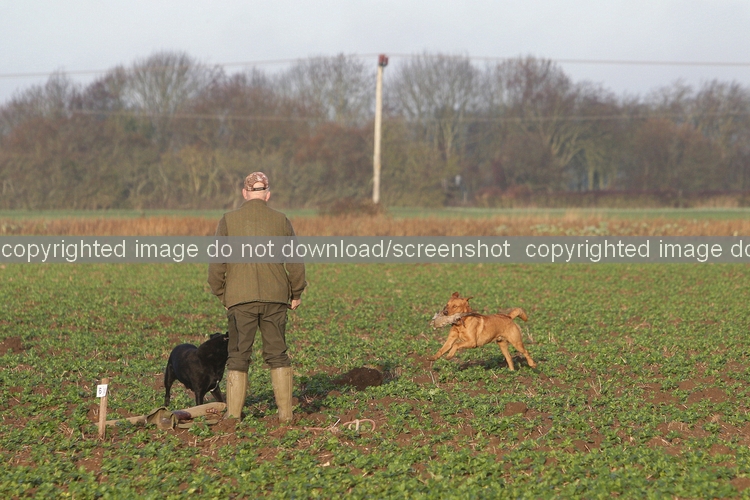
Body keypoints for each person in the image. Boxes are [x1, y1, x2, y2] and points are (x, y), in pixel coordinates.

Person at [208, 172, 306, 423]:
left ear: (244, 193)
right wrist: (296, 292)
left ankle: (233, 417)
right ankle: (286, 416)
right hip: (276, 298)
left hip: (240, 300)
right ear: (267, 194)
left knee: (238, 357)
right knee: (278, 355)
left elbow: (216, 266)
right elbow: (295, 263)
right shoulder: (281, 220)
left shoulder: (228, 221)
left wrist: (224, 295)